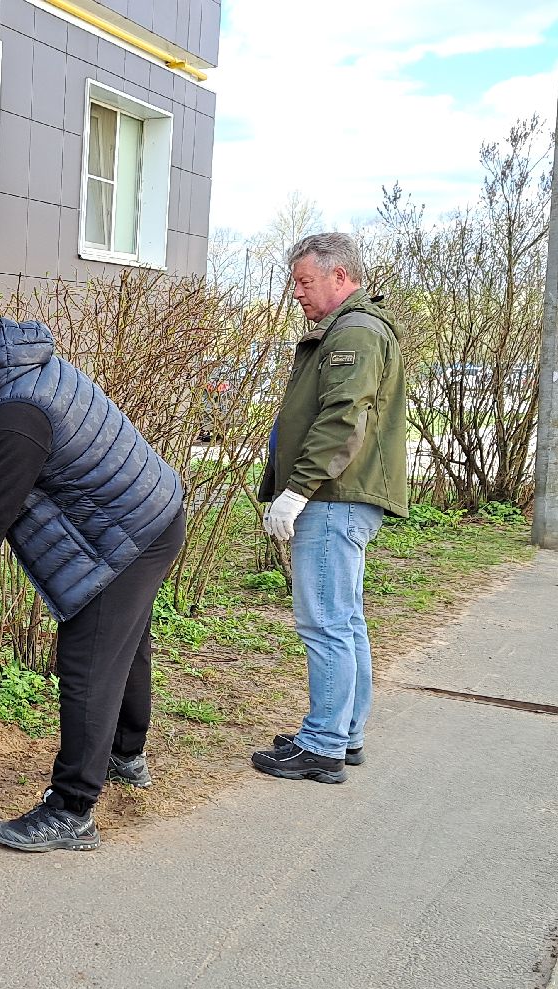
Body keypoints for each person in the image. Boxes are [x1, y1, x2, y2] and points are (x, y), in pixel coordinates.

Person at [0, 302, 186, 853]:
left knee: (88, 662)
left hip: (132, 531)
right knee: (124, 646)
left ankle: (72, 810)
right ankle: (127, 754)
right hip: (150, 513)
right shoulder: (15, 373)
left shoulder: (15, 410)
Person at [252, 233, 409, 785]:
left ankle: (323, 745)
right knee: (344, 621)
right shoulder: (353, 329)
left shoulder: (356, 332)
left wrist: (296, 491)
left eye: (304, 281)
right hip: (342, 497)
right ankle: (344, 733)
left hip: (333, 498)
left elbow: (344, 417)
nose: (296, 293)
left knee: (324, 624)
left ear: (339, 277)